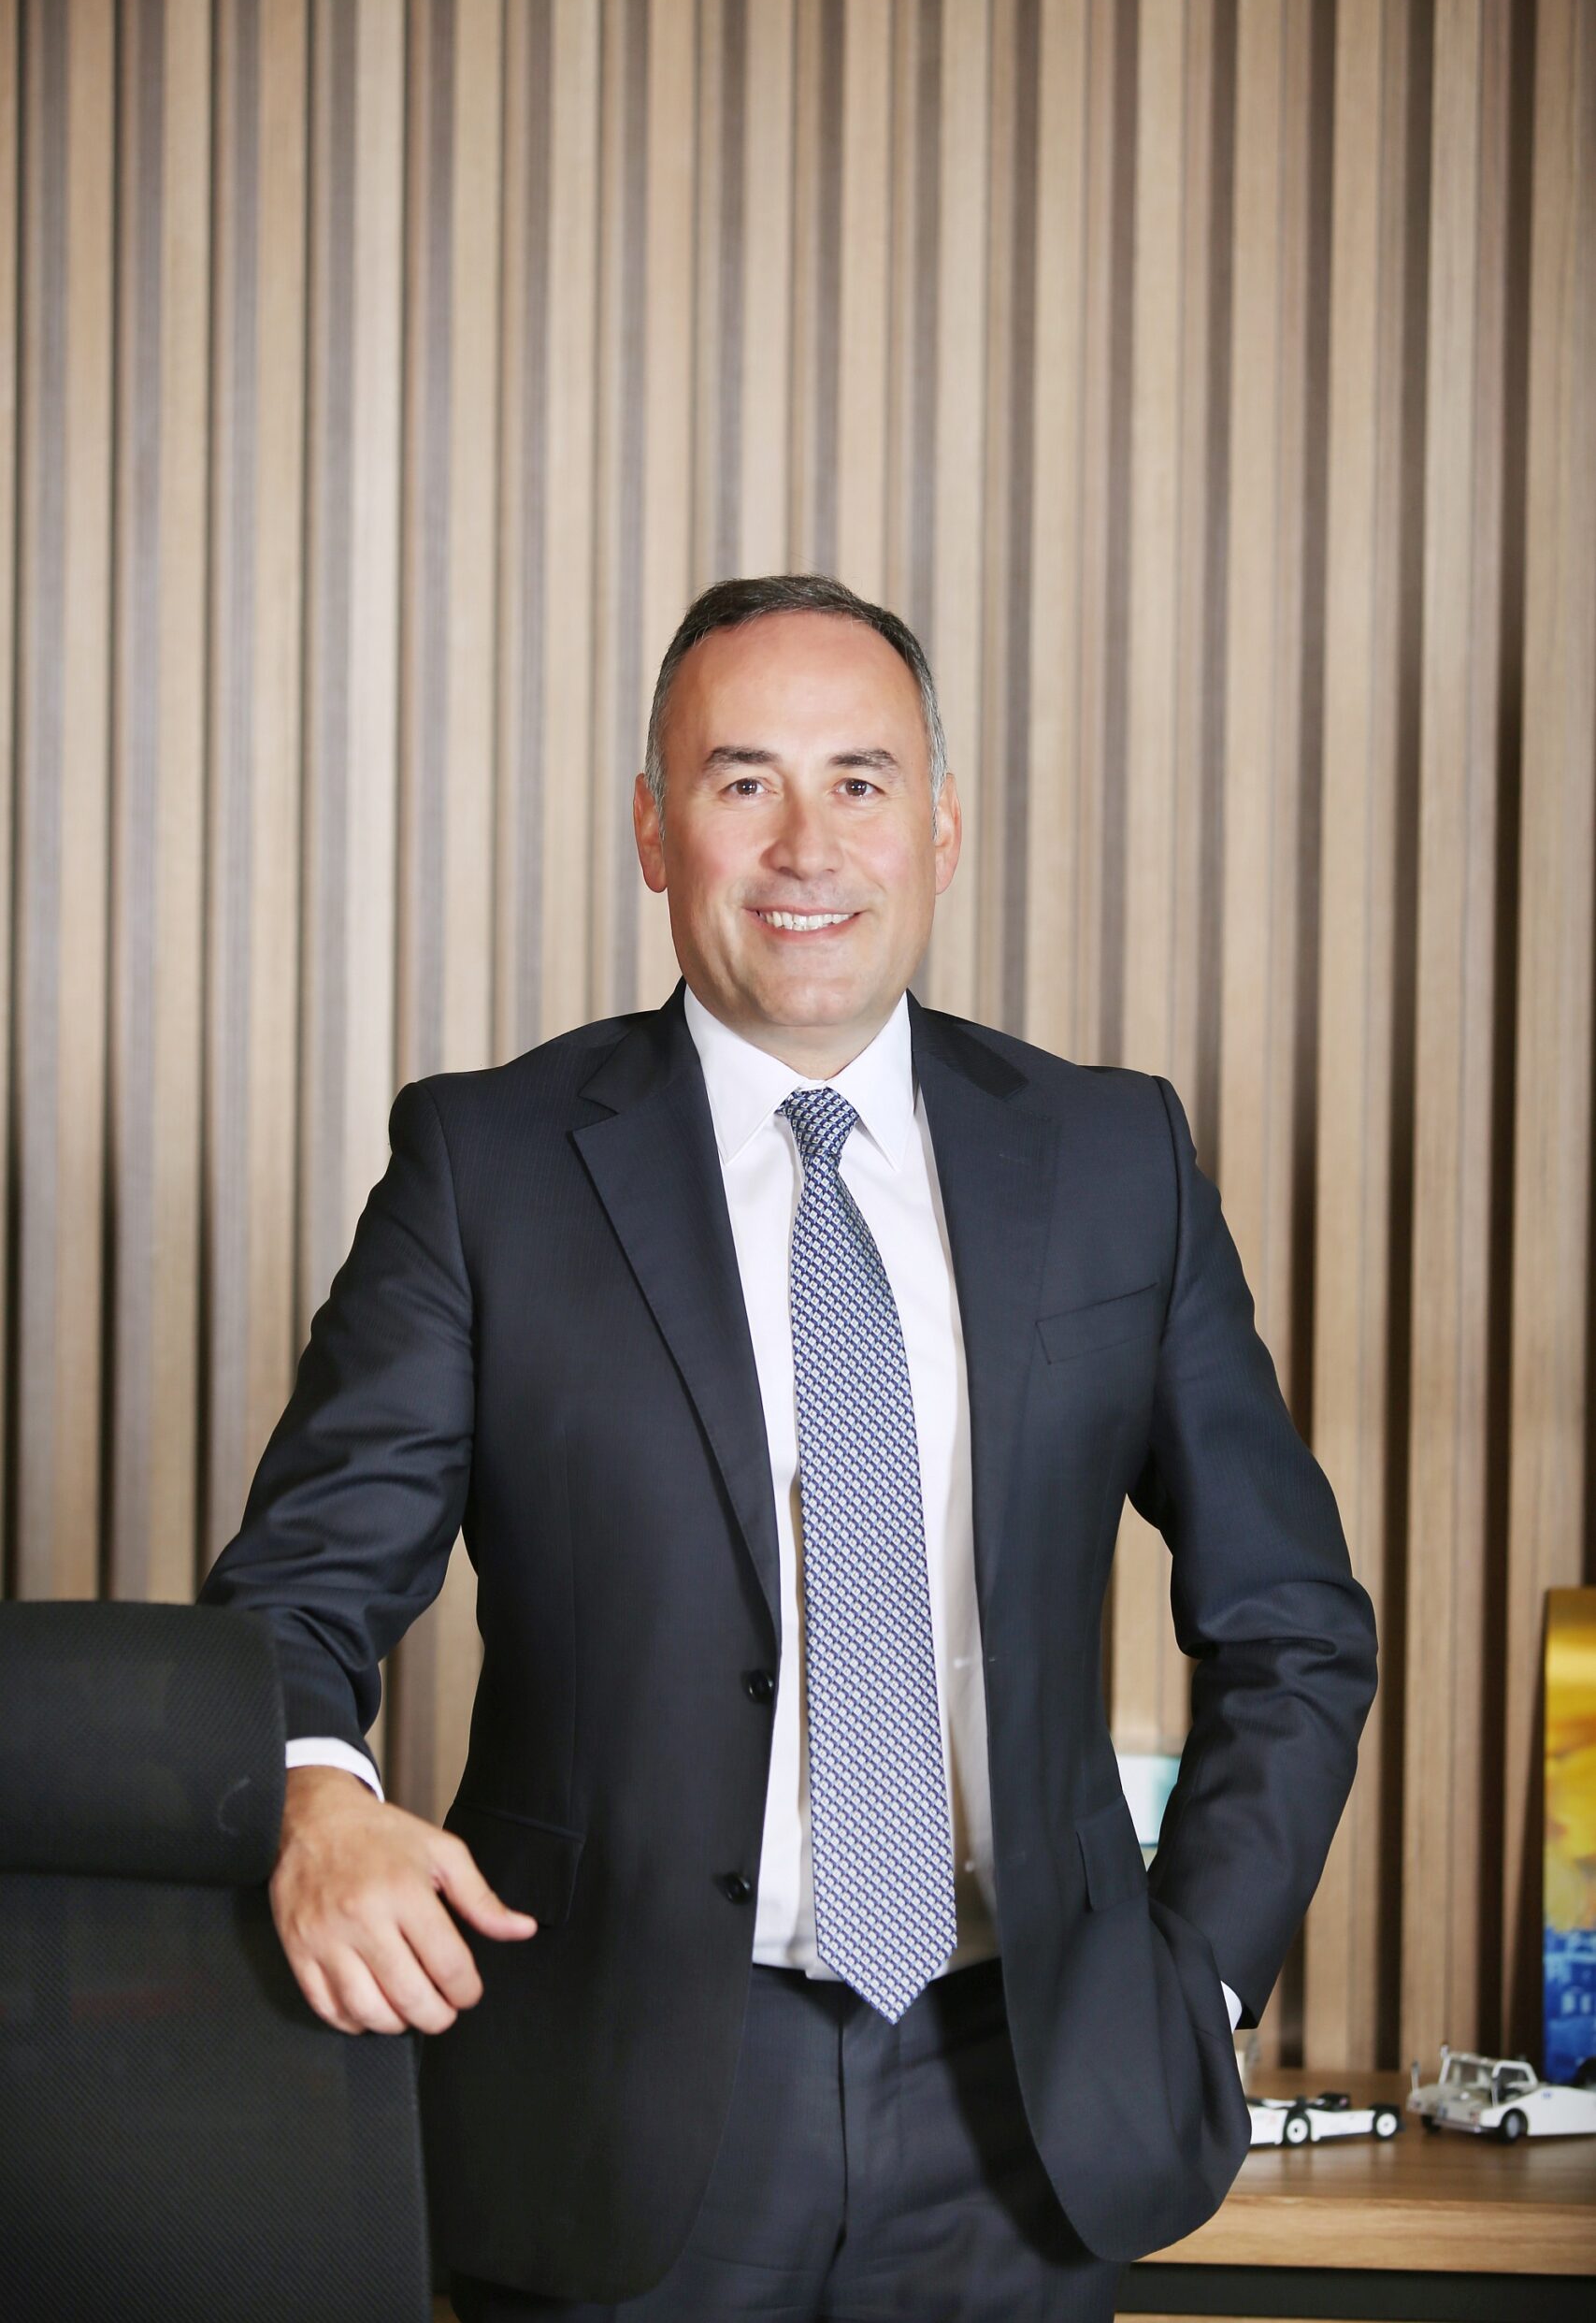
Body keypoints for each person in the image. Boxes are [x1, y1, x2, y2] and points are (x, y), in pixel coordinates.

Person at [200, 575, 1378, 2321]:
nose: (806, 846)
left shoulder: (1112, 1157)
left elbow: (1295, 1624)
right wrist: (317, 1789)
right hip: (619, 2104)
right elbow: (295, 1597)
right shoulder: (485, 1169)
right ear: (653, 831)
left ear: (942, 828)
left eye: (861, 780)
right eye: (742, 780)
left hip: (1025, 2102)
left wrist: (1192, 1978)